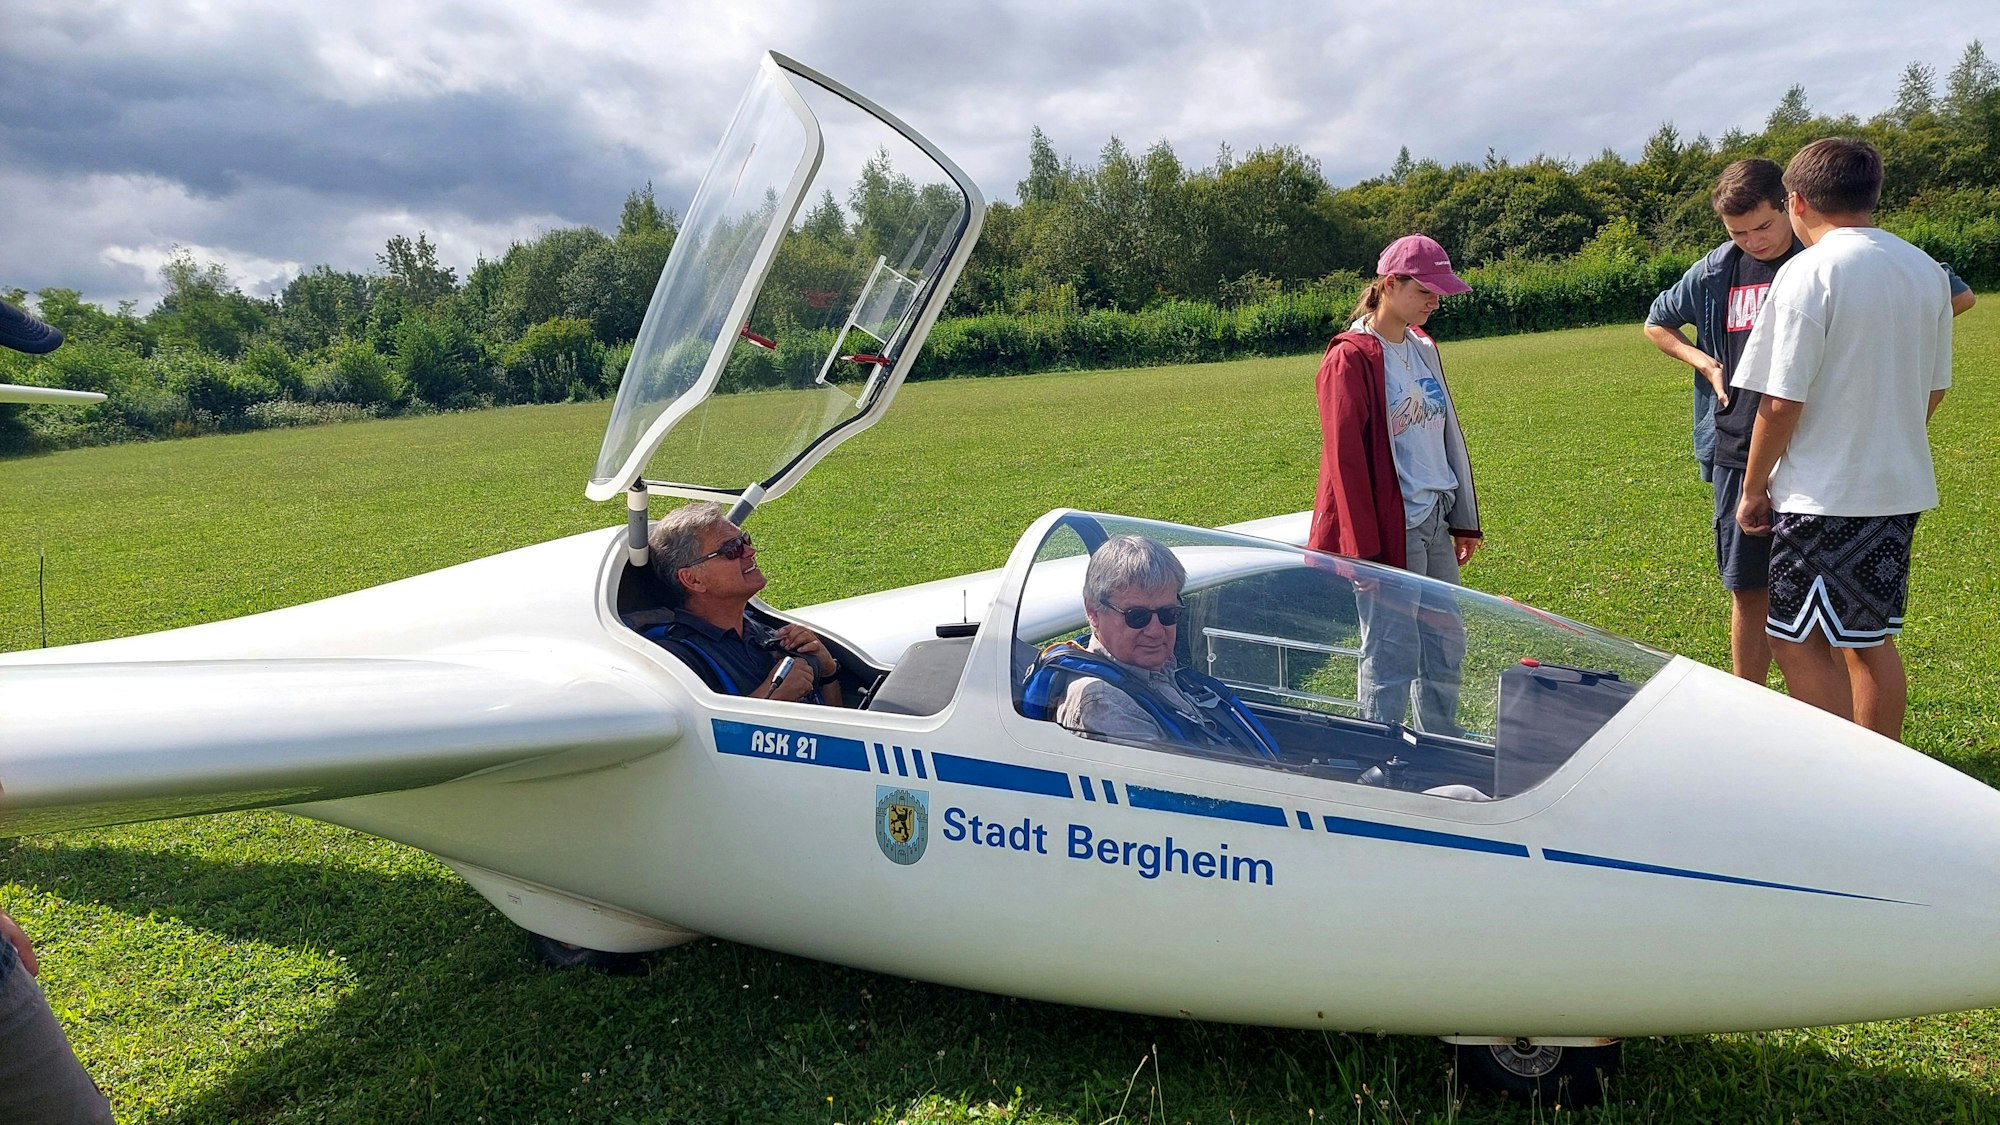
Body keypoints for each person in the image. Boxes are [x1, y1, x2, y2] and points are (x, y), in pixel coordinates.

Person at [1645, 160, 1974, 684]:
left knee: (1831, 630)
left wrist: (1864, 343)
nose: (1752, 241)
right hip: (1742, 448)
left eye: (1762, 226)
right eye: (1737, 232)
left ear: (1791, 203)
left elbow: (1955, 296)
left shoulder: (1823, 262)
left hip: (1819, 459)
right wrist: (1705, 362)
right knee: (1753, 591)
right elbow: (1656, 322)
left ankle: (1836, 744)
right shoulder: (1714, 270)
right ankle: (1754, 708)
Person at [1732, 138, 1951, 742]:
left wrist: (1752, 490)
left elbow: (1779, 402)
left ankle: (1841, 768)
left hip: (1821, 496)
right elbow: (1932, 390)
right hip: (1897, 486)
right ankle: (1885, 768)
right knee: (1869, 637)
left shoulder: (1809, 273)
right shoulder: (1923, 270)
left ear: (1796, 201)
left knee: (1793, 638)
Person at [1308, 234, 1481, 734]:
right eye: (1426, 290)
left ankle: (1439, 742)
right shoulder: (1351, 357)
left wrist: (1462, 519)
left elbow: (1445, 433)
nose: (1436, 301)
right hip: (1390, 527)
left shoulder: (1423, 347)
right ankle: (1381, 749)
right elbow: (1345, 463)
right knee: (1390, 649)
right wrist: (1363, 553)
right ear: (1389, 284)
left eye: (1440, 292)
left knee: (1445, 642)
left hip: (1433, 517)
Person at [1046, 535, 1274, 757]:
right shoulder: (1104, 703)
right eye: (1137, 616)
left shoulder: (1159, 670)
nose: (1156, 631)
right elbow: (1167, 791)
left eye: (1168, 613)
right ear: (1094, 613)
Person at [640, 502, 844, 704]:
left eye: (745, 539)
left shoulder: (764, 632)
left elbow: (838, 728)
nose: (750, 552)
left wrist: (827, 671)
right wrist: (772, 698)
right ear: (693, 580)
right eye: (732, 549)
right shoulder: (676, 660)